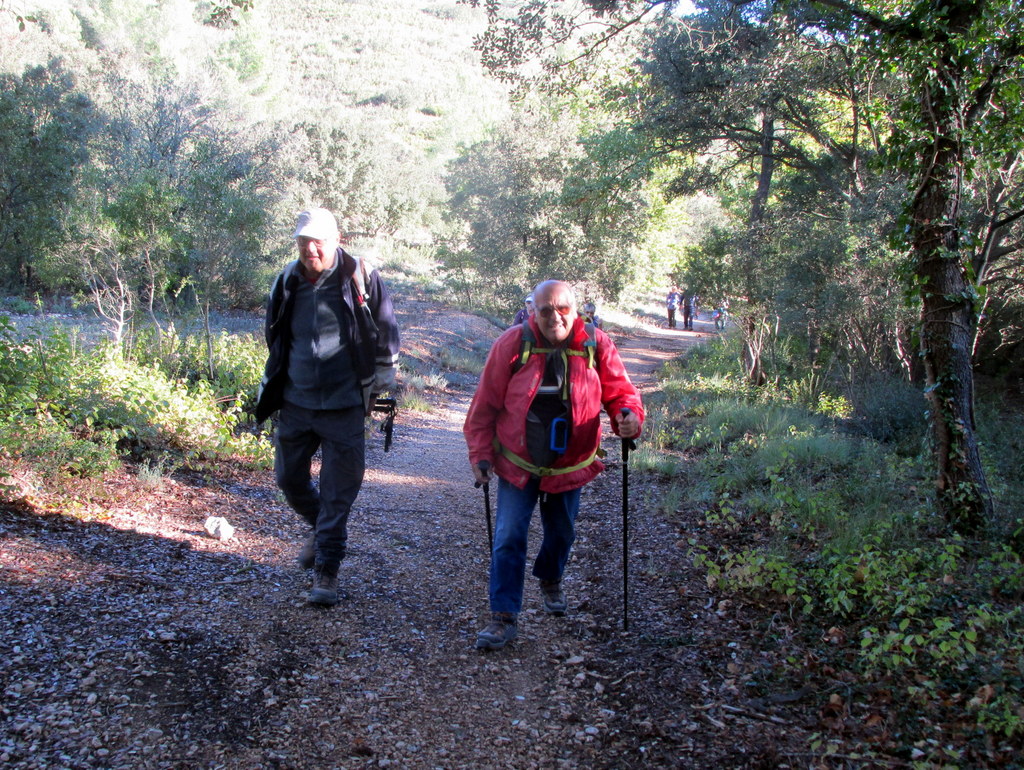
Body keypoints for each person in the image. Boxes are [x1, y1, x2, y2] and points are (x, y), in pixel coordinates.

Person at [464, 280, 644, 650]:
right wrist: (480, 455)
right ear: (533, 312)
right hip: (518, 463)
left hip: (569, 465)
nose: (554, 317)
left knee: (561, 534)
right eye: (545, 310)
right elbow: (483, 407)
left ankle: (550, 577)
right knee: (509, 536)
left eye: (562, 309)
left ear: (575, 310)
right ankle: (503, 616)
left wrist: (629, 418)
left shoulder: (595, 343)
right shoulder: (513, 344)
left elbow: (621, 393)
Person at [255, 207, 400, 607]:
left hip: (345, 406)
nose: (310, 248)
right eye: (303, 241)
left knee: (338, 494)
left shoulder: (361, 276)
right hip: (296, 402)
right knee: (288, 480)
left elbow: (387, 331)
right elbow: (274, 333)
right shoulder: (287, 280)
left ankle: (327, 573)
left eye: (318, 241)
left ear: (336, 240)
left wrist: (381, 386)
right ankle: (322, 533)